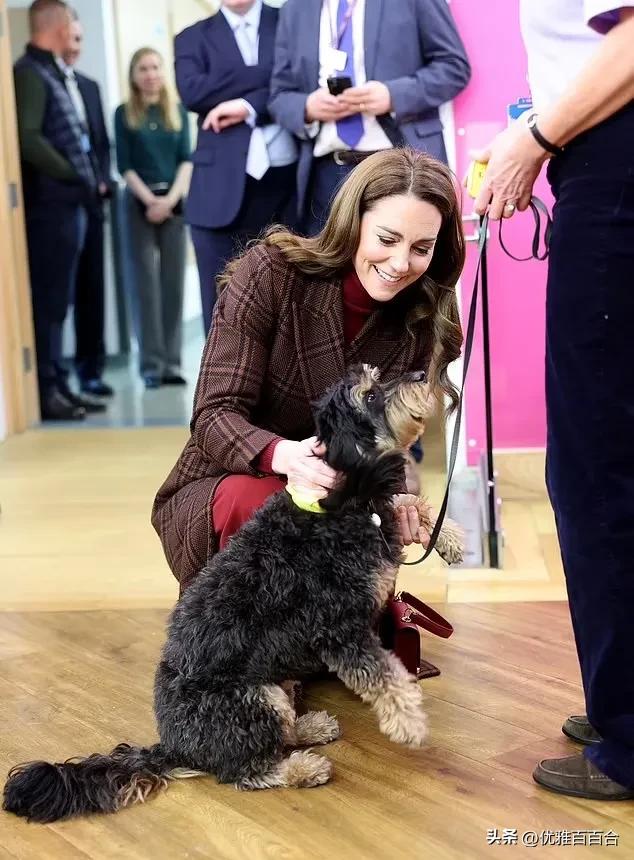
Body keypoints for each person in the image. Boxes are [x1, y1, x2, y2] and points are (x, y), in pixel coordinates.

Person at [152, 148, 464, 594]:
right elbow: (214, 415)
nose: (400, 264)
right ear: (352, 221)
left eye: (421, 249)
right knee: (269, 509)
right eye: (387, 238)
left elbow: (382, 449)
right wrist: (286, 457)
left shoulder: (424, 321)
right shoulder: (270, 273)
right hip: (232, 482)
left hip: (340, 502)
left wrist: (395, 499)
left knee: (359, 602)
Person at [473, 4, 634, 800]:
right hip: (603, 157)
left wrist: (532, 140)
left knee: (596, 465)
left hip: (614, 165)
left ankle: (631, 737)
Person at [269, 0, 470, 236]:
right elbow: (279, 96)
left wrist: (392, 95)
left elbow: (454, 67)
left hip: (401, 165)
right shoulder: (295, 7)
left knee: (406, 265)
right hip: (328, 174)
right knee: (327, 270)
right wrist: (307, 107)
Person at [175, 0, 297, 335]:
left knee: (288, 313)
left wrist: (246, 105)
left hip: (289, 190)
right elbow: (193, 91)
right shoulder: (191, 38)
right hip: (217, 199)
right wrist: (269, 75)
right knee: (221, 317)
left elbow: (302, 80)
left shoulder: (290, 18)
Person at [13, 0, 106, 420]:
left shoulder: (51, 71)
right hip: (50, 207)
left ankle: (61, 384)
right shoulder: (29, 74)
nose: (74, 29)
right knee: (51, 304)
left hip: (71, 205)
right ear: (54, 25)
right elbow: (28, 137)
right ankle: (47, 389)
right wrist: (71, 171)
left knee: (63, 303)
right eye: (70, 21)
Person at [115, 48, 192, 389]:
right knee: (144, 285)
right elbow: (124, 165)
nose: (149, 74)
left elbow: (186, 160)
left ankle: (172, 364)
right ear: (133, 75)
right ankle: (150, 366)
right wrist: (150, 200)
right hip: (137, 204)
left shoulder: (176, 112)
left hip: (173, 202)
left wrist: (171, 199)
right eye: (142, 68)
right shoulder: (124, 114)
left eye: (155, 67)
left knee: (172, 283)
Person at [61, 11, 115, 398]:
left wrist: (103, 182)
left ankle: (91, 370)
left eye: (81, 40)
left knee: (93, 291)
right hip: (61, 204)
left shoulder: (90, 87)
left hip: (94, 202)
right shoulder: (38, 80)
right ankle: (59, 379)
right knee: (64, 291)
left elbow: (100, 145)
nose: (76, 47)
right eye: (72, 38)